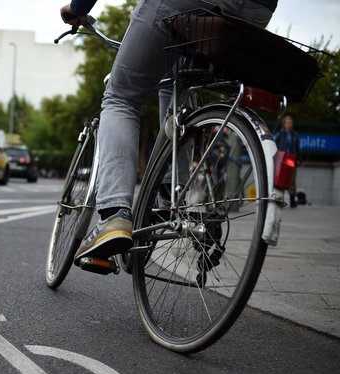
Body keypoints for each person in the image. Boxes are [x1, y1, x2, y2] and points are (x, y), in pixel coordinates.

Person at [59, 0, 278, 261]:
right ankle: (169, 192)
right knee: (176, 82)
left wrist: (79, 7)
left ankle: (114, 216)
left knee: (122, 97)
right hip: (256, 10)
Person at [273, 115, 301, 207]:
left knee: (292, 180)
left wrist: (299, 159)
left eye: (291, 123)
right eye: (287, 123)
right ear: (284, 124)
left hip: (291, 158)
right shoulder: (280, 134)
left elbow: (297, 148)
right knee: (281, 180)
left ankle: (292, 201)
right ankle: (280, 199)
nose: (289, 125)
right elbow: (276, 145)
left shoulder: (295, 135)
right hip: (282, 159)